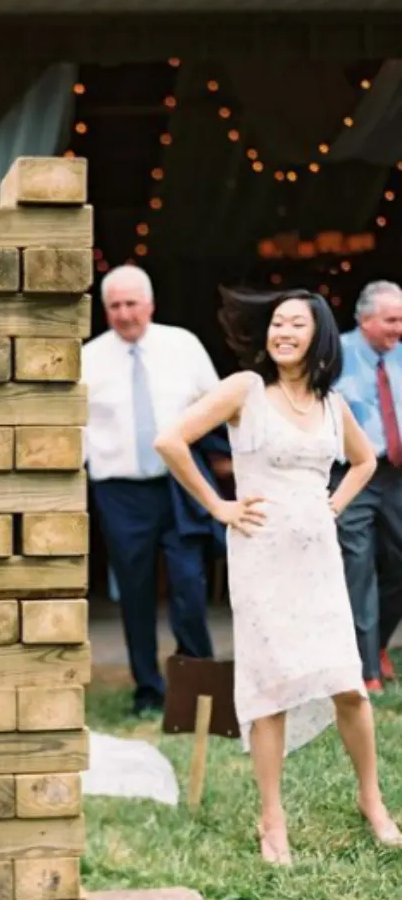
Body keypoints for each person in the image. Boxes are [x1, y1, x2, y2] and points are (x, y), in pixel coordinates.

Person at [154, 287, 402, 865]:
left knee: (347, 683)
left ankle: (373, 801)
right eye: (276, 323)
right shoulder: (245, 390)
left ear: (318, 335)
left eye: (296, 324)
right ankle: (272, 820)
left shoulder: (332, 403)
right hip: (261, 557)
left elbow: (364, 461)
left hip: (316, 556)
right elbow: (172, 440)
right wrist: (219, 507)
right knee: (269, 692)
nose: (283, 332)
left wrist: (334, 505)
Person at [82, 265, 223, 715]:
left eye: (132, 304)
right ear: (105, 310)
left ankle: (200, 688)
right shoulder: (88, 358)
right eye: (116, 306)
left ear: (150, 304)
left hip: (179, 484)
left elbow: (216, 402)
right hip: (120, 493)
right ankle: (148, 689)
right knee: (135, 591)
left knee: (189, 583)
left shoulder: (182, 344)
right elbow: (76, 428)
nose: (125, 314)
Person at [333, 280, 402, 692]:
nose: (399, 328)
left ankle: (376, 644)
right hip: (353, 473)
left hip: (397, 475)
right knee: (358, 565)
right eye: (392, 320)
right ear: (365, 320)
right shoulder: (335, 355)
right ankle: (364, 670)